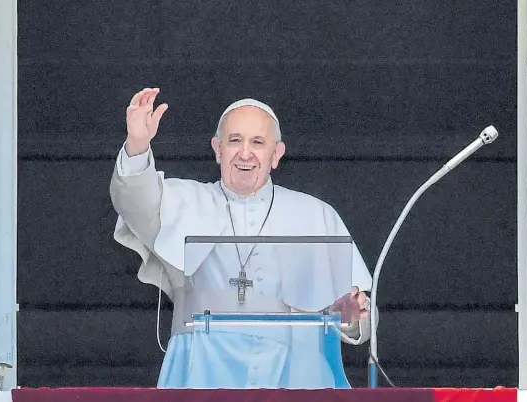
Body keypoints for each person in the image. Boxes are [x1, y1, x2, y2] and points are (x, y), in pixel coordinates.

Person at [110, 87, 376, 389]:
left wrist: (349, 318)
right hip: (202, 371)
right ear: (217, 149)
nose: (245, 153)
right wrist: (137, 144)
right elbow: (133, 201)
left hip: (296, 373)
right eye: (234, 141)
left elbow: (363, 319)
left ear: (276, 154)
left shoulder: (316, 215)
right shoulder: (182, 200)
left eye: (258, 142)